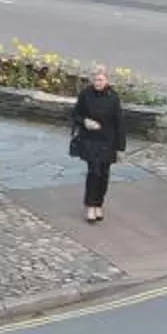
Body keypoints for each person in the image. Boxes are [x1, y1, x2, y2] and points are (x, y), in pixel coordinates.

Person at [69, 65, 123, 223]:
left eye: (100, 80)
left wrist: (120, 148)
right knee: (94, 172)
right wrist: (85, 121)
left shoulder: (113, 98)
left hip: (107, 141)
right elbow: (75, 114)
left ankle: (99, 204)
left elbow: (120, 124)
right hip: (90, 140)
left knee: (104, 174)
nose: (97, 83)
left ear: (106, 80)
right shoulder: (86, 95)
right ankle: (90, 206)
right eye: (95, 80)